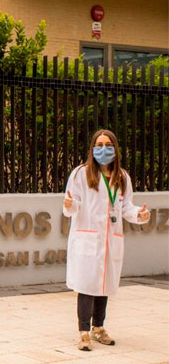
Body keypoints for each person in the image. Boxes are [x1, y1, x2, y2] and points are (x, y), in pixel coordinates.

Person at [63, 129, 150, 351]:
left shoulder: (122, 176)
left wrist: (139, 214)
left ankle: (99, 328)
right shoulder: (81, 174)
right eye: (99, 145)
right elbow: (74, 203)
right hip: (88, 238)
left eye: (108, 145)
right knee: (86, 284)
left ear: (115, 148)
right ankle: (84, 332)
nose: (104, 149)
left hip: (110, 238)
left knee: (104, 284)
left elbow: (126, 206)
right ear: (92, 149)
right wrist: (69, 205)